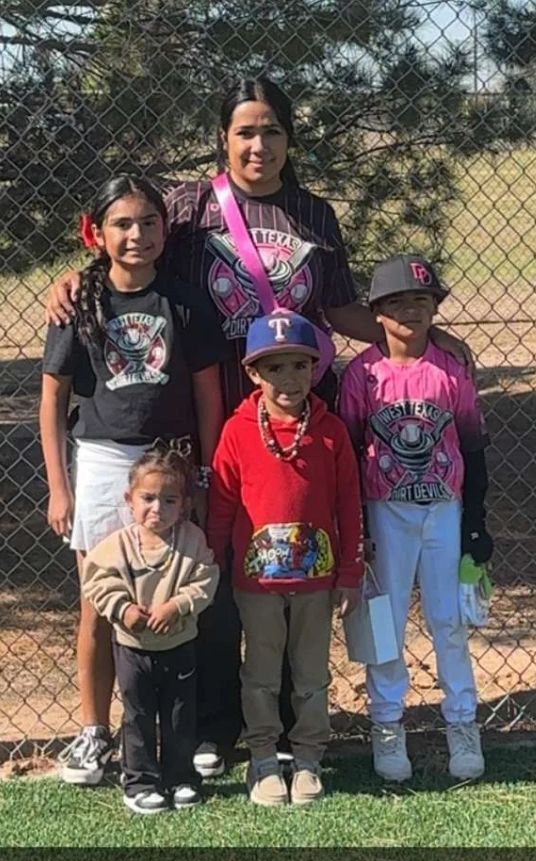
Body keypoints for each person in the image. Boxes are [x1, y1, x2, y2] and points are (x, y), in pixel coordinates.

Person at [44, 77, 473, 780]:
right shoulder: (189, 208)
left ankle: (290, 724)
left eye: (271, 131)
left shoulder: (313, 214)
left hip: (300, 416)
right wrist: (76, 277)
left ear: (288, 140)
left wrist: (423, 332)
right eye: (245, 131)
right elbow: (133, 253)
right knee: (215, 566)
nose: (258, 145)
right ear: (223, 138)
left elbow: (338, 309)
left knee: (294, 568)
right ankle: (218, 723)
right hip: (213, 415)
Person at [40, 175, 226, 786]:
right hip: (100, 459)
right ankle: (96, 731)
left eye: (148, 222)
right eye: (122, 223)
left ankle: (182, 729)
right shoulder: (77, 304)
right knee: (100, 600)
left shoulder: (186, 302)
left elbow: (208, 396)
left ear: (164, 230)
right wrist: (59, 487)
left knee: (176, 594)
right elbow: (53, 400)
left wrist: (201, 472)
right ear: (97, 233)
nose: (137, 234)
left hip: (170, 460)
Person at [339, 254, 493, 782]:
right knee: (385, 621)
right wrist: (357, 526)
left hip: (444, 510)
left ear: (435, 310)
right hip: (386, 511)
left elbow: (472, 447)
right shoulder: (363, 374)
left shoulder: (451, 368)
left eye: (421, 301)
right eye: (397, 302)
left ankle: (462, 722)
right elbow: (351, 448)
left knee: (448, 619)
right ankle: (387, 724)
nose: (410, 310)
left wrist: (475, 522)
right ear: (377, 313)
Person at [208, 311, 364, 805]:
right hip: (256, 584)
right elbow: (222, 504)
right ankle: (262, 757)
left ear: (315, 369)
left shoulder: (331, 432)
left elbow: (348, 506)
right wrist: (214, 561)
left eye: (300, 365)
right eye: (275, 368)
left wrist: (349, 571)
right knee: (260, 670)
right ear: (254, 373)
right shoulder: (236, 432)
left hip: (317, 581)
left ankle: (310, 756)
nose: (290, 378)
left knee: (311, 671)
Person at [82, 441, 219, 813]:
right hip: (132, 649)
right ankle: (140, 783)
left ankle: (180, 778)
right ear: (130, 499)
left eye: (169, 500)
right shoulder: (118, 545)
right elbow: (95, 580)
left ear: (184, 504)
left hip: (179, 646)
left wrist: (177, 605)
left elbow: (206, 578)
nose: (157, 508)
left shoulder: (191, 540)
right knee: (137, 716)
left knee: (179, 715)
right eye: (148, 498)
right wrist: (122, 609)